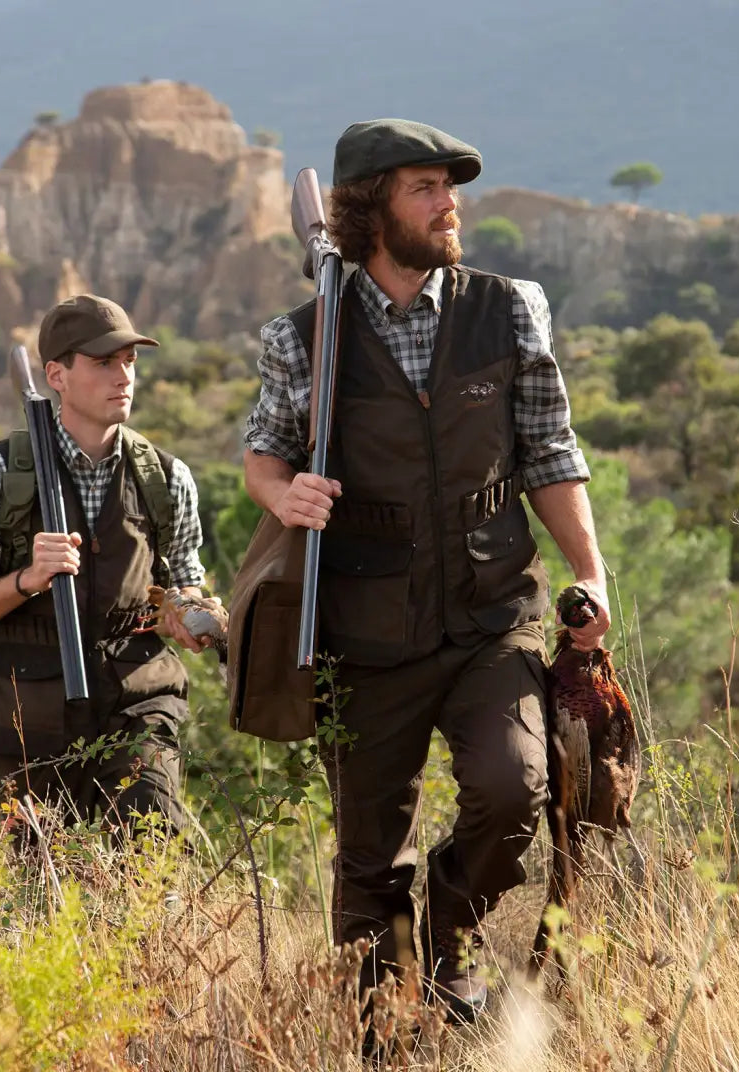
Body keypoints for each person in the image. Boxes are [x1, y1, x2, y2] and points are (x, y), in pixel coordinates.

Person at [243, 119, 611, 1023]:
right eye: (425, 188)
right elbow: (263, 456)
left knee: (515, 786)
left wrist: (592, 576)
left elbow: (550, 452)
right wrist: (283, 496)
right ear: (372, 210)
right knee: (369, 859)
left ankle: (453, 930)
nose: (451, 205)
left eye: (452, 187)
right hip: (365, 632)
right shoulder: (301, 338)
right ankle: (388, 1027)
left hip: (493, 611)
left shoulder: (509, 307)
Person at [0, 293, 220, 838]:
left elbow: (184, 581)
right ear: (56, 375)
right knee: (39, 885)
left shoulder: (166, 477)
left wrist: (189, 614)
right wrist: (26, 580)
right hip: (29, 717)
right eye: (102, 362)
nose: (123, 376)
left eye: (129, 361)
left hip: (138, 703)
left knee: (153, 841)